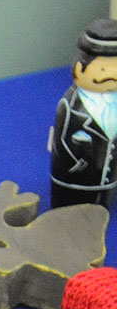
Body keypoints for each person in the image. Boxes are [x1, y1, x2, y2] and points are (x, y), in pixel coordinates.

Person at [49, 17, 117, 211]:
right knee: (70, 215)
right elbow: (61, 143)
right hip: (74, 184)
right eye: (102, 69)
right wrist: (77, 165)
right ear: (79, 68)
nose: (111, 75)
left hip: (107, 182)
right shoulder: (71, 106)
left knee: (101, 214)